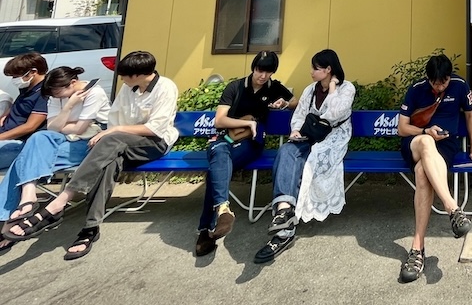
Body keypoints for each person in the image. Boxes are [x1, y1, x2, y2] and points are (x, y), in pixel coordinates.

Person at [2, 50, 178, 260]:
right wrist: (112, 131)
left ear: (137, 75)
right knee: (109, 162)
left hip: (154, 143)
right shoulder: (129, 88)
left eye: (123, 75)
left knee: (110, 141)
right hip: (119, 143)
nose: (120, 79)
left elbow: (154, 129)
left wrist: (112, 131)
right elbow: (111, 119)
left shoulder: (165, 87)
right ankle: (89, 230)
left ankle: (60, 201)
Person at [254, 48, 354, 264]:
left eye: (315, 68)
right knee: (287, 151)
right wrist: (296, 131)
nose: (311, 72)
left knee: (311, 161)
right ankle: (284, 211)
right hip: (309, 136)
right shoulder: (310, 90)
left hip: (333, 138)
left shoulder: (347, 89)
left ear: (328, 69)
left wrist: (334, 87)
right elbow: (299, 114)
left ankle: (286, 230)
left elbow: (336, 112)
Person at [0, 65, 111, 254]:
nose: (56, 96)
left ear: (73, 83)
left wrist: (64, 121)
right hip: (61, 141)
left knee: (24, 159)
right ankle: (28, 197)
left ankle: (5, 222)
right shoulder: (55, 96)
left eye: (58, 92)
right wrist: (68, 108)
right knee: (38, 138)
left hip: (88, 144)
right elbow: (51, 128)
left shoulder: (94, 93)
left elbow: (80, 130)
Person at [195, 50, 295, 257]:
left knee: (217, 168)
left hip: (251, 143)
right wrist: (247, 122)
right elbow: (219, 120)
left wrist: (283, 103)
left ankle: (206, 229)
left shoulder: (273, 88)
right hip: (225, 138)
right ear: (253, 67)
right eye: (260, 70)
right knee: (219, 155)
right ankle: (222, 210)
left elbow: (297, 101)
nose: (263, 75)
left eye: (268, 72)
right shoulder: (236, 87)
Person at [396, 54, 472, 283]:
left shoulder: (459, 86)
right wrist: (425, 132)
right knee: (426, 143)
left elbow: (470, 117)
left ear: (449, 77)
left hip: (445, 146)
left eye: (443, 82)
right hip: (415, 143)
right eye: (435, 82)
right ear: (428, 78)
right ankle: (453, 209)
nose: (440, 86)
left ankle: (417, 249)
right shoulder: (417, 89)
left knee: (422, 173)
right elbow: (402, 128)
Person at [0, 53, 49, 170]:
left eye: (16, 76)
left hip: (18, 142)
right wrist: (6, 114)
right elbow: (21, 106)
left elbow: (30, 126)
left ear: (33, 72)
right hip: (5, 133)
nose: (14, 80)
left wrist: (1, 137)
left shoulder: (45, 93)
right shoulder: (27, 86)